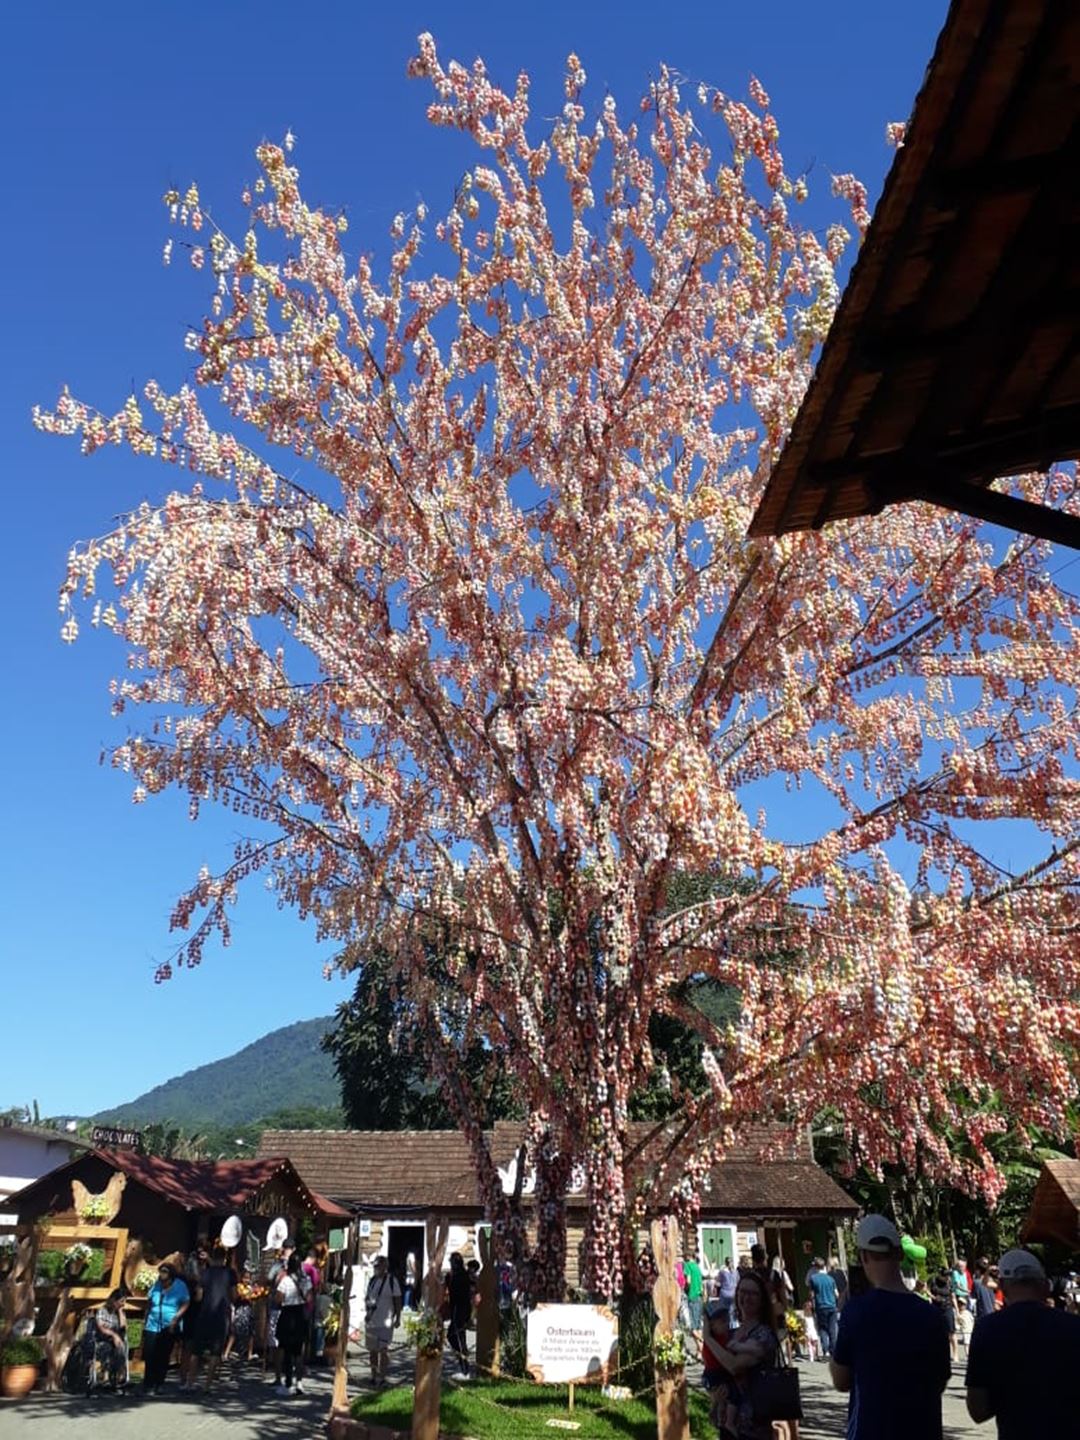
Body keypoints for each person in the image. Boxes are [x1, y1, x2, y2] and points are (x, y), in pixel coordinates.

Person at [830, 1214, 950, 1440]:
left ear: (863, 1256)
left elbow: (841, 1380)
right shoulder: (930, 1315)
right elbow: (940, 1381)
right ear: (899, 1254)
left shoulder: (856, 1312)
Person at [965, 1247, 1080, 1437]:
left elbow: (978, 1410)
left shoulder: (988, 1329)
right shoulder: (1074, 1326)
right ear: (1045, 1285)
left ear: (1002, 1284)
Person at [699, 1269, 781, 1440]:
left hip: (753, 1426)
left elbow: (734, 1366)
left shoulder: (763, 1334)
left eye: (753, 1293)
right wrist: (714, 1393)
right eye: (742, 1292)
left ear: (762, 1300)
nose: (746, 1297)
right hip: (728, 1425)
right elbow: (715, 1367)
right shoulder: (732, 1333)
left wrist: (707, 1338)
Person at [185, 1242, 237, 1392]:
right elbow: (234, 1295)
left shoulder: (205, 1273)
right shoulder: (230, 1273)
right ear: (225, 1258)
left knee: (197, 1350)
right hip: (221, 1314)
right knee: (216, 1351)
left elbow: (199, 1296)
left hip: (205, 1312)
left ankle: (190, 1382)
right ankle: (207, 1385)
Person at [143, 1263, 191, 1394]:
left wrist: (176, 1318)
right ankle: (148, 1383)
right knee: (149, 1353)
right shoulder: (156, 1285)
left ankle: (159, 1382)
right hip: (153, 1323)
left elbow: (186, 1302)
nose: (162, 1276)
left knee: (163, 1354)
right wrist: (145, 1319)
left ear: (171, 1276)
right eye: (161, 1273)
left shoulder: (180, 1286)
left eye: (165, 1273)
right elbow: (149, 1302)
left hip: (169, 1324)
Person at [274, 1250, 312, 1397]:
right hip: (300, 1314)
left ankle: (288, 1383)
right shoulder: (306, 1279)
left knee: (287, 1351)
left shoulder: (285, 1280)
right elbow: (309, 1298)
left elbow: (278, 1299)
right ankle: (300, 1383)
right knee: (299, 1351)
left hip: (288, 1314)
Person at [364, 1253, 402, 1388]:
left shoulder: (392, 1281)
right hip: (372, 1320)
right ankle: (373, 1375)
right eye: (375, 1266)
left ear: (385, 1267)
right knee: (372, 1350)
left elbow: (397, 1299)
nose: (376, 1268)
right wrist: (367, 1313)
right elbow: (367, 1298)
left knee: (383, 1350)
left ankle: (382, 1376)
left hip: (386, 1321)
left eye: (379, 1266)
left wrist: (398, 1317)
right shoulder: (372, 1281)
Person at [86, 1288, 128, 1391]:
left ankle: (117, 1376)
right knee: (111, 1348)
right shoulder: (102, 1311)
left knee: (121, 1346)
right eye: (121, 1301)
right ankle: (111, 1375)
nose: (123, 1304)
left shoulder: (117, 1313)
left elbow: (123, 1327)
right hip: (102, 1340)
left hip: (116, 1342)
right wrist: (114, 1335)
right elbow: (102, 1328)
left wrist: (121, 1312)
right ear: (114, 1300)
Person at [224, 1261, 258, 1363]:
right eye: (245, 1278)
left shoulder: (251, 1287)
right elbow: (240, 1296)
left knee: (251, 1332)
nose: (247, 1280)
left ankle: (249, 1353)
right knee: (235, 1332)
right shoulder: (239, 1286)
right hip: (240, 1311)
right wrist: (249, 1294)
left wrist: (255, 1294)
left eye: (248, 1278)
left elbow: (255, 1296)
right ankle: (226, 1353)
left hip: (249, 1311)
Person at [447, 1251, 473, 1379]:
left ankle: (465, 1368)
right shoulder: (456, 1275)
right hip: (458, 1309)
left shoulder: (461, 1276)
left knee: (458, 1337)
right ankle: (462, 1363)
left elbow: (461, 1295)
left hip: (460, 1309)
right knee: (454, 1336)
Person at [806, 1256, 839, 1358]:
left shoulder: (813, 1279)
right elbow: (836, 1294)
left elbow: (811, 1295)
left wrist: (811, 1302)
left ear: (815, 1267)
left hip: (821, 1306)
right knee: (832, 1329)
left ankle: (826, 1351)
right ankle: (833, 1350)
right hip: (832, 1306)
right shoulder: (830, 1279)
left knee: (822, 1329)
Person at [683, 1251, 705, 1339]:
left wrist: (685, 1288)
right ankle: (699, 1351)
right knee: (698, 1324)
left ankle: (703, 1342)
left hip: (692, 1295)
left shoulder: (687, 1265)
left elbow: (688, 1280)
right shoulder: (697, 1266)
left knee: (693, 1327)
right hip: (699, 1295)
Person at [714, 1256, 738, 1321]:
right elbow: (738, 1282)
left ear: (725, 1263)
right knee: (733, 1313)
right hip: (733, 1294)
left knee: (724, 1313)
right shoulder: (736, 1272)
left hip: (724, 1294)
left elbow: (717, 1283)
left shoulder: (722, 1272)